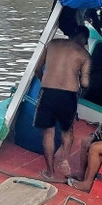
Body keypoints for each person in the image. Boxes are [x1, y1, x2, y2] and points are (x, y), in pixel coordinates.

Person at [33, 19, 90, 180]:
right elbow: (85, 82)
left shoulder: (52, 43)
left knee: (48, 132)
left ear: (72, 34)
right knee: (67, 131)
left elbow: (37, 68)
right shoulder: (84, 54)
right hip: (69, 95)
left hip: (48, 92)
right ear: (85, 39)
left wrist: (44, 78)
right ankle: (65, 160)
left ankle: (50, 172)